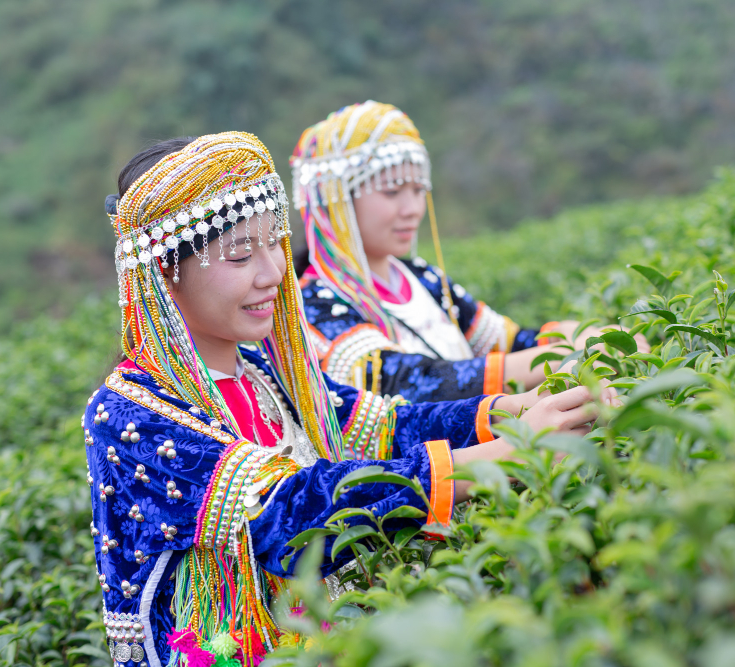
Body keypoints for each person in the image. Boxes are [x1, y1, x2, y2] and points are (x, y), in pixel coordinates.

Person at [86, 132, 609, 667]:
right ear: (164, 273)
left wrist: (514, 411)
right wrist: (508, 453)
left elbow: (384, 427)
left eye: (275, 243)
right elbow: (287, 512)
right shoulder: (129, 412)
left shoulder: (264, 370)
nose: (273, 272)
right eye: (240, 255)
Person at [291, 101, 647, 403]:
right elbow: (409, 383)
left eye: (418, 190)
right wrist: (563, 358)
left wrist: (579, 335)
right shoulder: (314, 304)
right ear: (335, 199)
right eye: (392, 192)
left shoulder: (422, 278)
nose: (413, 209)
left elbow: (503, 343)